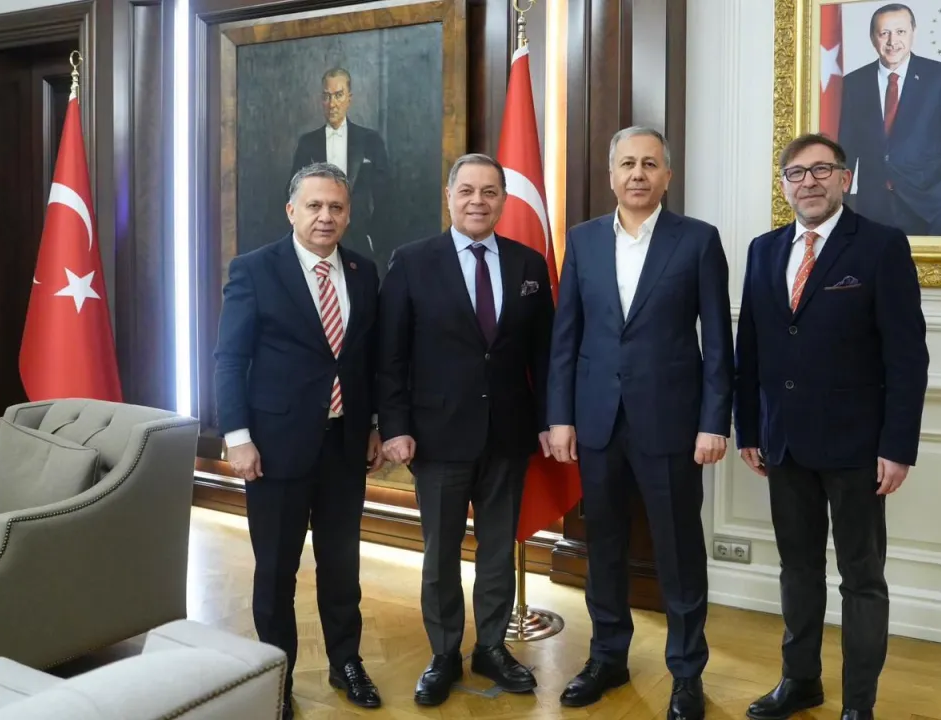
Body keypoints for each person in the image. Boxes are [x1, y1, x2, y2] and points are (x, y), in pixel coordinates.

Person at [734, 133, 929, 720]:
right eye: (796, 173)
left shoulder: (881, 246)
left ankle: (859, 704)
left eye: (822, 170)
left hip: (858, 448)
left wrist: (898, 446)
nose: (809, 182)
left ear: (845, 179)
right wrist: (749, 429)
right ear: (784, 186)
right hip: (783, 444)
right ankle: (800, 682)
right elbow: (751, 349)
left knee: (861, 579)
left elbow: (906, 356)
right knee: (797, 571)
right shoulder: (764, 250)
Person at [547, 126, 733, 720]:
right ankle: (607, 657)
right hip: (597, 421)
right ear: (611, 175)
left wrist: (714, 421)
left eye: (650, 164)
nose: (637, 174)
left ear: (667, 176)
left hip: (672, 423)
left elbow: (717, 341)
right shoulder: (582, 240)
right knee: (603, 545)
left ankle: (686, 673)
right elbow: (566, 336)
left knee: (678, 550)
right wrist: (559, 416)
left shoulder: (698, 241)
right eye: (627, 163)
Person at [377, 153, 555, 706]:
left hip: (508, 434)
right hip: (436, 436)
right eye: (468, 191)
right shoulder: (412, 261)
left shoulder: (528, 264)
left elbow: (545, 355)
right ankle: (445, 653)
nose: (478, 201)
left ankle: (492, 648)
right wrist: (395, 426)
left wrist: (549, 421)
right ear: (449, 197)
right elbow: (390, 356)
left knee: (498, 550)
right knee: (441, 555)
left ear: (503, 200)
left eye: (490, 192)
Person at [214, 162, 384, 720]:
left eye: (335, 207)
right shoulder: (254, 269)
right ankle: (277, 679)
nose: (325, 216)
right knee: (275, 572)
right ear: (292, 211)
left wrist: (373, 424)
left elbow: (367, 360)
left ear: (348, 214)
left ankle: (346, 662)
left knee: (342, 566)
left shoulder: (362, 271)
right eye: (314, 206)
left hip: (344, 446)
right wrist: (237, 437)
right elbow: (229, 359)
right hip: (274, 447)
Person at [837, 2, 941, 236]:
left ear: (913, 32)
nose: (892, 41)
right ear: (873, 38)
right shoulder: (854, 83)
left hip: (932, 208)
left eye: (900, 31)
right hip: (873, 209)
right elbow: (847, 149)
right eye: (884, 33)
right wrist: (840, 202)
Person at [291, 67, 394, 271]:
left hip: (361, 241)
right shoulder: (307, 144)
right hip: (318, 240)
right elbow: (292, 194)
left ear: (349, 98)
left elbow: (386, 196)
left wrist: (374, 238)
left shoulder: (370, 141)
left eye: (338, 95)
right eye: (327, 96)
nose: (332, 104)